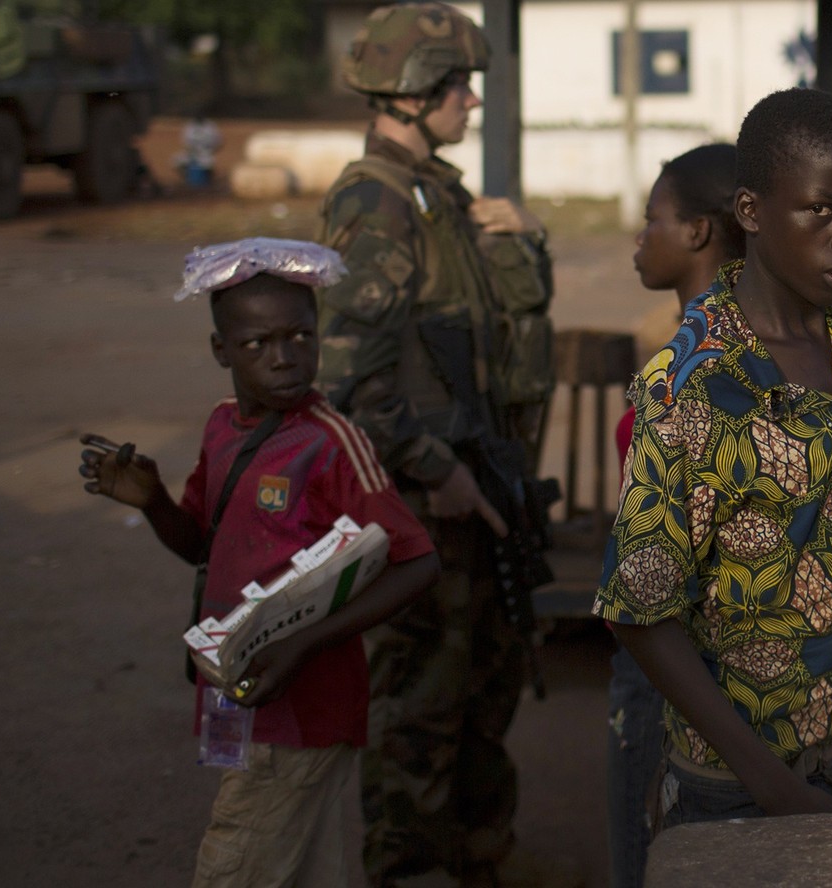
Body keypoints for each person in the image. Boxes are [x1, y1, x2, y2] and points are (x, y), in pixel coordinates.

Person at [593, 0, 832, 827]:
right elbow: (642, 614)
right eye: (822, 209)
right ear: (751, 214)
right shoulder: (692, 385)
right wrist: (775, 790)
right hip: (739, 790)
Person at [76, 238, 440, 887]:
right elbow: (201, 546)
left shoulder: (331, 443)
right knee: (303, 868)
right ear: (222, 351)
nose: (285, 359)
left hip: (304, 707)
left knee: (233, 867)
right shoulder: (222, 428)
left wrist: (301, 646)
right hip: (247, 696)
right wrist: (155, 501)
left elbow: (417, 563)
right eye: (258, 344)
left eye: (301, 336)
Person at [313, 4, 564, 886]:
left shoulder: (439, 194)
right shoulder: (376, 201)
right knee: (420, 704)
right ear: (412, 91)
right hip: (428, 502)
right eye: (457, 84)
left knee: (481, 691)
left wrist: (519, 240)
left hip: (475, 489)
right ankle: (410, 870)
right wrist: (436, 471)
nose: (470, 99)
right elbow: (347, 378)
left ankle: (475, 856)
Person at [608, 142, 744, 888]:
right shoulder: (751, 341)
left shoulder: (693, 370)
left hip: (667, 658)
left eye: (651, 220)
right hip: (704, 652)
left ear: (697, 232)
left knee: (651, 856)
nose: (639, 238)